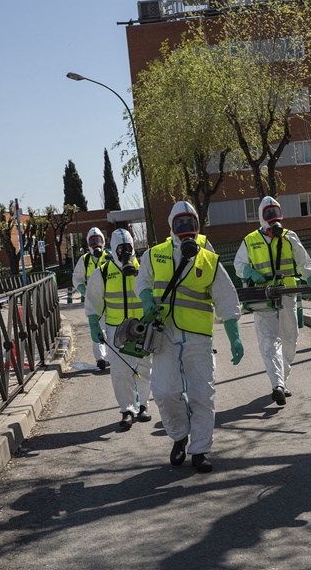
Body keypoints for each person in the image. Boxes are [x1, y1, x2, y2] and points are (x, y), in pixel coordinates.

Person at [135, 201, 244, 473]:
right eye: (180, 224)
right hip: (165, 334)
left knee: (202, 395)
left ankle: (200, 450)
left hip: (198, 337)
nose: (186, 230)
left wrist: (235, 336)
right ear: (171, 227)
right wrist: (147, 300)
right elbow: (142, 282)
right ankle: (179, 434)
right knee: (164, 391)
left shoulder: (209, 259)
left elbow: (227, 299)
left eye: (191, 224)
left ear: (198, 225)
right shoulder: (154, 254)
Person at [233, 196, 311, 406]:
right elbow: (238, 264)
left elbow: (304, 263)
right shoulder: (250, 240)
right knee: (269, 343)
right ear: (262, 218)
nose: (273, 219)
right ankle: (277, 385)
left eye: (275, 214)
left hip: (287, 296)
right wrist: (250, 273)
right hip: (262, 299)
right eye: (269, 214)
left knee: (290, 341)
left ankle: (281, 380)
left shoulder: (290, 237)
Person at [84, 228, 152, 429]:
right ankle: (127, 409)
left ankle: (142, 406)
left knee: (144, 368)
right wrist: (93, 324)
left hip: (142, 328)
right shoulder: (102, 273)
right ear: (113, 249)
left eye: (127, 248)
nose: (124, 252)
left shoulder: (145, 268)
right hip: (116, 331)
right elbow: (93, 301)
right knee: (121, 371)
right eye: (120, 249)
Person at [72, 227, 109, 370]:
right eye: (93, 241)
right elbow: (77, 279)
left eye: (98, 240)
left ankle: (110, 356)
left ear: (103, 241)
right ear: (88, 244)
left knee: (110, 328)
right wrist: (85, 291)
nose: (96, 244)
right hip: (93, 300)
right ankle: (101, 358)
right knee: (96, 328)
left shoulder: (109, 257)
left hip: (109, 298)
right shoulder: (84, 260)